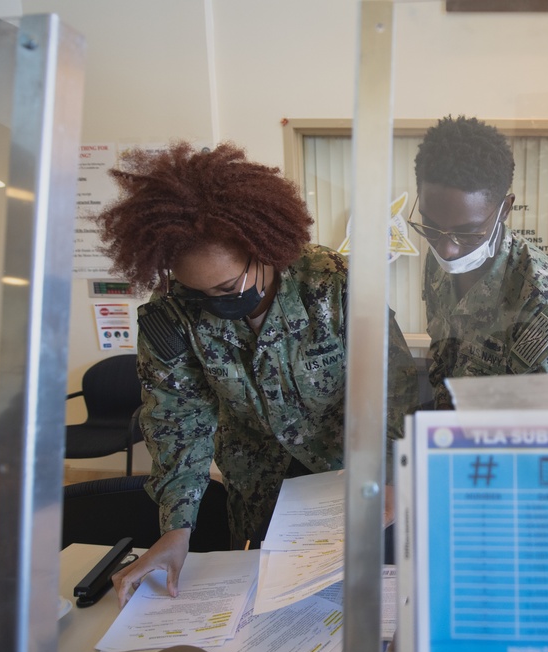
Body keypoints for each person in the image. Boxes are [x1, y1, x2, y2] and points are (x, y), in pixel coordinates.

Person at [95, 142, 417, 606]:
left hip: (351, 475)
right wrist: (176, 529)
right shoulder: (172, 318)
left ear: (265, 248)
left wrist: (388, 475)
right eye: (197, 291)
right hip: (259, 484)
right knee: (272, 606)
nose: (217, 303)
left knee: (362, 601)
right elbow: (177, 422)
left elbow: (393, 389)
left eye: (227, 287)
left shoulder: (336, 284)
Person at [412, 116, 548, 408]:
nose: (447, 249)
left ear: (504, 209)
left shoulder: (541, 297)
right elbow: (442, 356)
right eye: (430, 226)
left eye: (467, 233)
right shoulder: (437, 257)